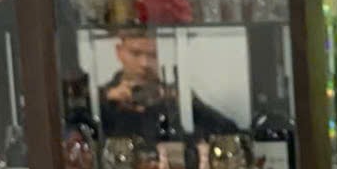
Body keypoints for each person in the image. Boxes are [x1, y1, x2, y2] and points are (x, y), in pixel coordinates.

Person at [96, 30, 238, 140]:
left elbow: (229, 132)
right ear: (119, 52)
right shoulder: (103, 98)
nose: (144, 63)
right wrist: (106, 100)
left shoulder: (173, 95)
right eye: (135, 53)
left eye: (153, 55)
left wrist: (190, 104)